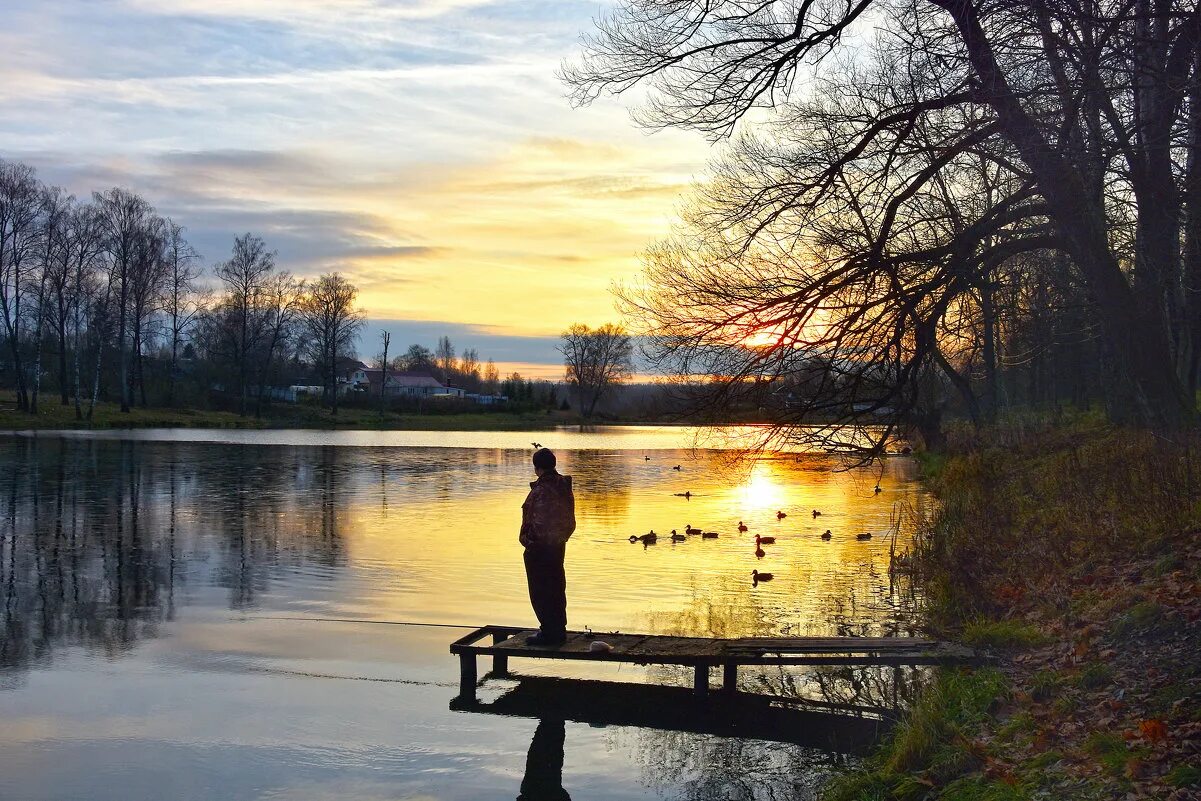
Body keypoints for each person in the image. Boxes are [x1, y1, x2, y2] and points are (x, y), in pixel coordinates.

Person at [519, 448, 575, 646]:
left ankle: (550, 633)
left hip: (540, 548)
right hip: (557, 545)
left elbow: (540, 522)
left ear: (537, 468)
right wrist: (561, 538)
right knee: (556, 587)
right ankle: (557, 629)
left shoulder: (543, 490)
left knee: (542, 591)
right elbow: (569, 521)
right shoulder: (563, 487)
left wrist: (529, 542)